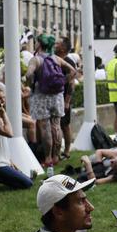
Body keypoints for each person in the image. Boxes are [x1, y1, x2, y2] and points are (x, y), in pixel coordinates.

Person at [28, 36, 76, 170]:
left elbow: (28, 75)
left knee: (45, 128)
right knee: (56, 125)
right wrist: (63, 81)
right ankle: (56, 156)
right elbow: (73, 71)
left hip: (41, 96)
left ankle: (48, 158)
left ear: (39, 44)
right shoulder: (56, 59)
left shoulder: (36, 59)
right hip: (57, 96)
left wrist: (32, 83)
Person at [0, 87, 34, 191]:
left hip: (2, 162)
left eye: (3, 97)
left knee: (26, 181)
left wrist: (10, 162)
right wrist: (4, 114)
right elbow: (9, 134)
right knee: (28, 183)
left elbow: (2, 144)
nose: (3, 101)